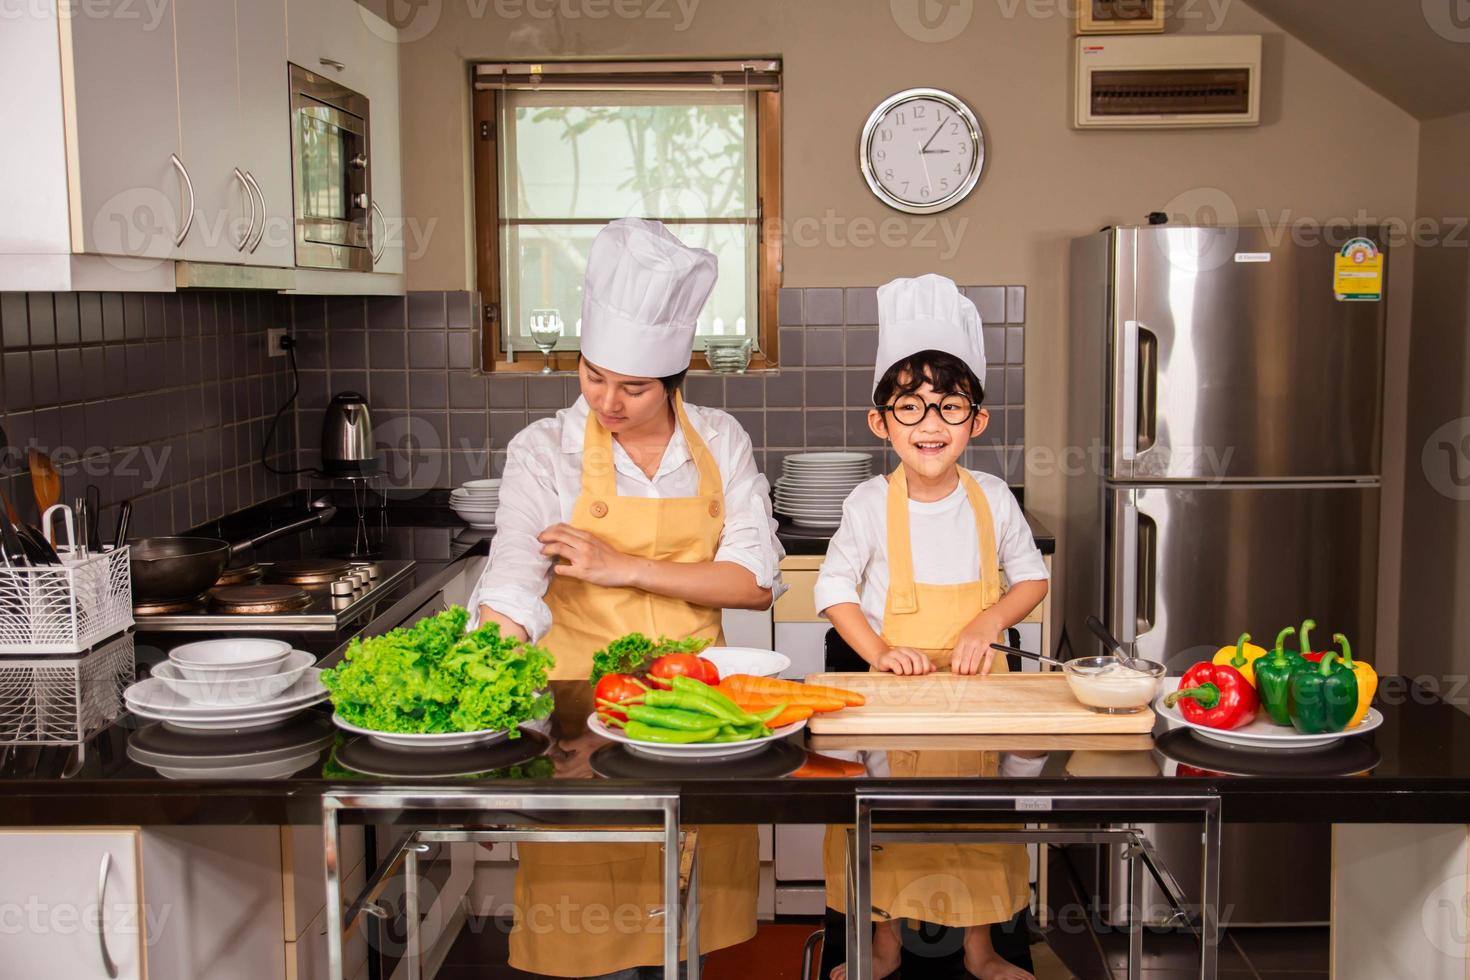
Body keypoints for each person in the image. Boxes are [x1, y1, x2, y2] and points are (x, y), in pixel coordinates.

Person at [470, 218, 784, 979]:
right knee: (589, 923)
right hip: (582, 711)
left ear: (675, 377)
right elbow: (515, 569)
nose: (608, 400)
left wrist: (623, 566)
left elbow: (752, 579)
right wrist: (485, 665)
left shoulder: (720, 442)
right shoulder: (543, 450)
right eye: (593, 375)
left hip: (695, 715)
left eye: (633, 387)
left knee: (689, 928)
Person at [813, 275, 1049, 980]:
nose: (929, 422)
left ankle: (980, 949)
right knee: (884, 823)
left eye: (949, 404)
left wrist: (989, 618)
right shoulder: (864, 503)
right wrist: (880, 652)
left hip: (981, 700)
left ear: (976, 420)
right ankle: (882, 946)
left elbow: (1033, 578)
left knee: (979, 819)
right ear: (879, 421)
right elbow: (831, 589)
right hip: (896, 699)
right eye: (908, 406)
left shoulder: (994, 498)